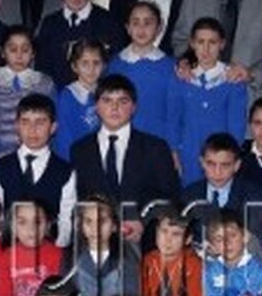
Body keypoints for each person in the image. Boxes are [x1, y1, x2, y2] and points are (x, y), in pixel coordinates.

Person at [71, 73, 180, 240]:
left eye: (123, 101)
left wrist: (144, 221)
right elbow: (78, 200)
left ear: (134, 107)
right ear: (97, 106)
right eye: (107, 101)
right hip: (96, 242)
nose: (115, 108)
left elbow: (170, 198)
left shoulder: (156, 148)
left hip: (145, 242)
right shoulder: (80, 150)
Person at [0, 93, 77, 247]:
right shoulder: (0, 168)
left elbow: (66, 221)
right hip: (9, 250)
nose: (32, 130)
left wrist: (54, 249)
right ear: (16, 126)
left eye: (40, 122)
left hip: (50, 250)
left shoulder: (66, 171)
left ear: (53, 127)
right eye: (25, 122)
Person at [170, 17, 248, 185]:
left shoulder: (232, 79)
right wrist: (174, 151)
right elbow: (173, 119)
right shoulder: (181, 77)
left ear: (222, 44)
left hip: (221, 156)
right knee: (189, 194)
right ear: (192, 43)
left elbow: (237, 125)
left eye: (212, 42)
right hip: (188, 153)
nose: (206, 49)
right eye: (200, 42)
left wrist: (230, 156)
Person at [33, 0, 125, 88]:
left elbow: (116, 67)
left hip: (99, 96)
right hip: (58, 97)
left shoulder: (109, 22)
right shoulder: (50, 24)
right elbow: (42, 70)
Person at [107, 2, 176, 143]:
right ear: (128, 28)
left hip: (159, 141)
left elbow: (175, 112)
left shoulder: (171, 67)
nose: (141, 28)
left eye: (148, 23)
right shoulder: (115, 65)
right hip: (122, 140)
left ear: (159, 28)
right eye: (135, 23)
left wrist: (172, 145)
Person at [140, 207, 204, 296]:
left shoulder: (193, 264)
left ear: (188, 239)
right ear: (156, 232)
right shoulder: (148, 260)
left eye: (176, 234)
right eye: (164, 231)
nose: (167, 240)